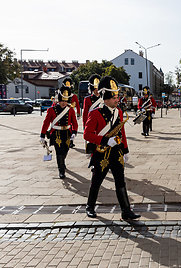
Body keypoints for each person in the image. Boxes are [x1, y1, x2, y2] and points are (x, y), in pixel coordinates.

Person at [83, 76, 140, 220]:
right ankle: (89, 207)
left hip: (116, 152)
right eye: (114, 97)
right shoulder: (95, 113)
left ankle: (126, 211)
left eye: (117, 96)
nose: (117, 100)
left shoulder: (118, 112)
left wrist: (125, 150)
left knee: (120, 181)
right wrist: (105, 140)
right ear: (106, 98)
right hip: (101, 153)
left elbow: (122, 132)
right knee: (97, 181)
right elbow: (87, 135)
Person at [40, 85, 78, 179]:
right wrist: (42, 135)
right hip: (56, 133)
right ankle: (61, 170)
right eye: (62, 101)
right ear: (59, 100)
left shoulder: (70, 110)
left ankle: (62, 163)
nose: (64, 103)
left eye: (66, 101)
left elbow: (74, 122)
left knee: (66, 150)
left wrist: (74, 132)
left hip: (67, 133)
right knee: (59, 152)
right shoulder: (51, 110)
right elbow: (46, 123)